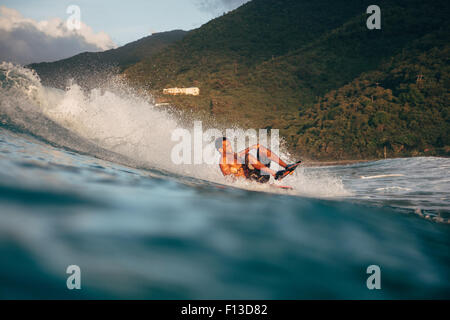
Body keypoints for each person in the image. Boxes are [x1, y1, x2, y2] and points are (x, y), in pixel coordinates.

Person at [214, 137, 300, 183]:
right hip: (254, 180)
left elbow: (240, 154)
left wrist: (252, 147)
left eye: (230, 145)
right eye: (227, 146)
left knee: (260, 148)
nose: (231, 147)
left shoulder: (232, 155)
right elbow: (230, 180)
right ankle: (275, 174)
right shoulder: (223, 162)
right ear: (221, 150)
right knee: (248, 156)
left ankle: (286, 166)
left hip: (260, 174)